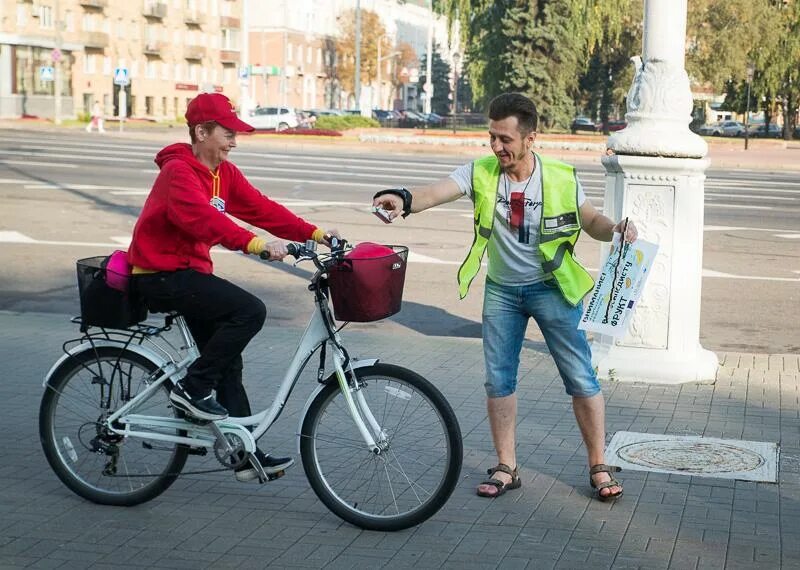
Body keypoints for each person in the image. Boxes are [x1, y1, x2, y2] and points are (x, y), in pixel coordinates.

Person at [372, 93, 636, 501]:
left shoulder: (561, 177)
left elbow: (592, 222)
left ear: (530, 138)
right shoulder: (481, 172)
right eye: (491, 137)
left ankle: (598, 465)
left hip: (553, 289)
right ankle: (505, 467)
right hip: (502, 292)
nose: (496, 147)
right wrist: (403, 199)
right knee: (498, 380)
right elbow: (435, 192)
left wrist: (616, 228)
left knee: (581, 377)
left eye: (505, 139)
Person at [128, 92, 338, 482]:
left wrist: (316, 233)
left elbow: (262, 208)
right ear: (202, 131)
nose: (234, 141)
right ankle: (192, 390)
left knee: (227, 360)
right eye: (228, 133)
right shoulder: (179, 172)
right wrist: (255, 244)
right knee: (249, 311)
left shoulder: (225, 173)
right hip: (160, 275)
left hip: (190, 273)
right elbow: (206, 222)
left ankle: (243, 454)